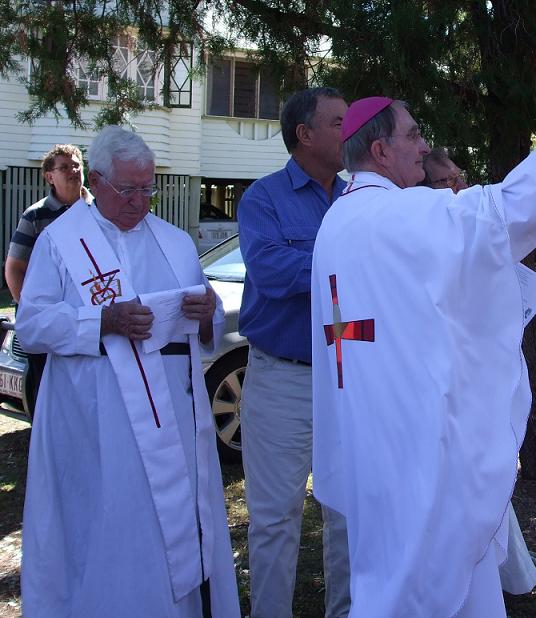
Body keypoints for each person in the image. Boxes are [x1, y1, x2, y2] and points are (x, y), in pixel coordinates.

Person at [310, 72, 536, 617]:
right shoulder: (395, 214)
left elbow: (430, 298)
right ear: (379, 149)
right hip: (418, 446)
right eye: (413, 135)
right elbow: (503, 216)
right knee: (425, 581)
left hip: (370, 437)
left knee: (386, 569)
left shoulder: (339, 221)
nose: (425, 146)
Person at [16, 126, 242, 618]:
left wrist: (208, 316)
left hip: (174, 417)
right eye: (129, 189)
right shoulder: (61, 241)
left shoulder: (175, 242)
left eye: (148, 188)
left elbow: (206, 324)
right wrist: (103, 320)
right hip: (94, 418)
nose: (141, 201)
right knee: (108, 521)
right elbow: (31, 326)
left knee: (172, 526)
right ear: (95, 181)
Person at [237, 87, 351, 618]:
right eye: (336, 123)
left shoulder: (358, 199)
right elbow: (271, 272)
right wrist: (348, 266)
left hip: (348, 376)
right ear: (304, 135)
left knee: (348, 512)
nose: (348, 132)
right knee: (275, 519)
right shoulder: (263, 199)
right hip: (283, 380)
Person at [422, 145, 536, 596]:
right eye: (447, 181)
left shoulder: (472, 229)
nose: (460, 186)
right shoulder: (427, 239)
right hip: (447, 393)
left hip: (481, 388)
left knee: (488, 489)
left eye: (460, 176)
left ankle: (506, 576)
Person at [5, 144, 92, 414]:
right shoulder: (35, 216)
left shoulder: (99, 212)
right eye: (64, 167)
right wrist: (32, 310)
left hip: (90, 316)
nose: (73, 171)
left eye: (77, 165)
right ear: (49, 176)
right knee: (45, 382)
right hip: (50, 318)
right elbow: (15, 267)